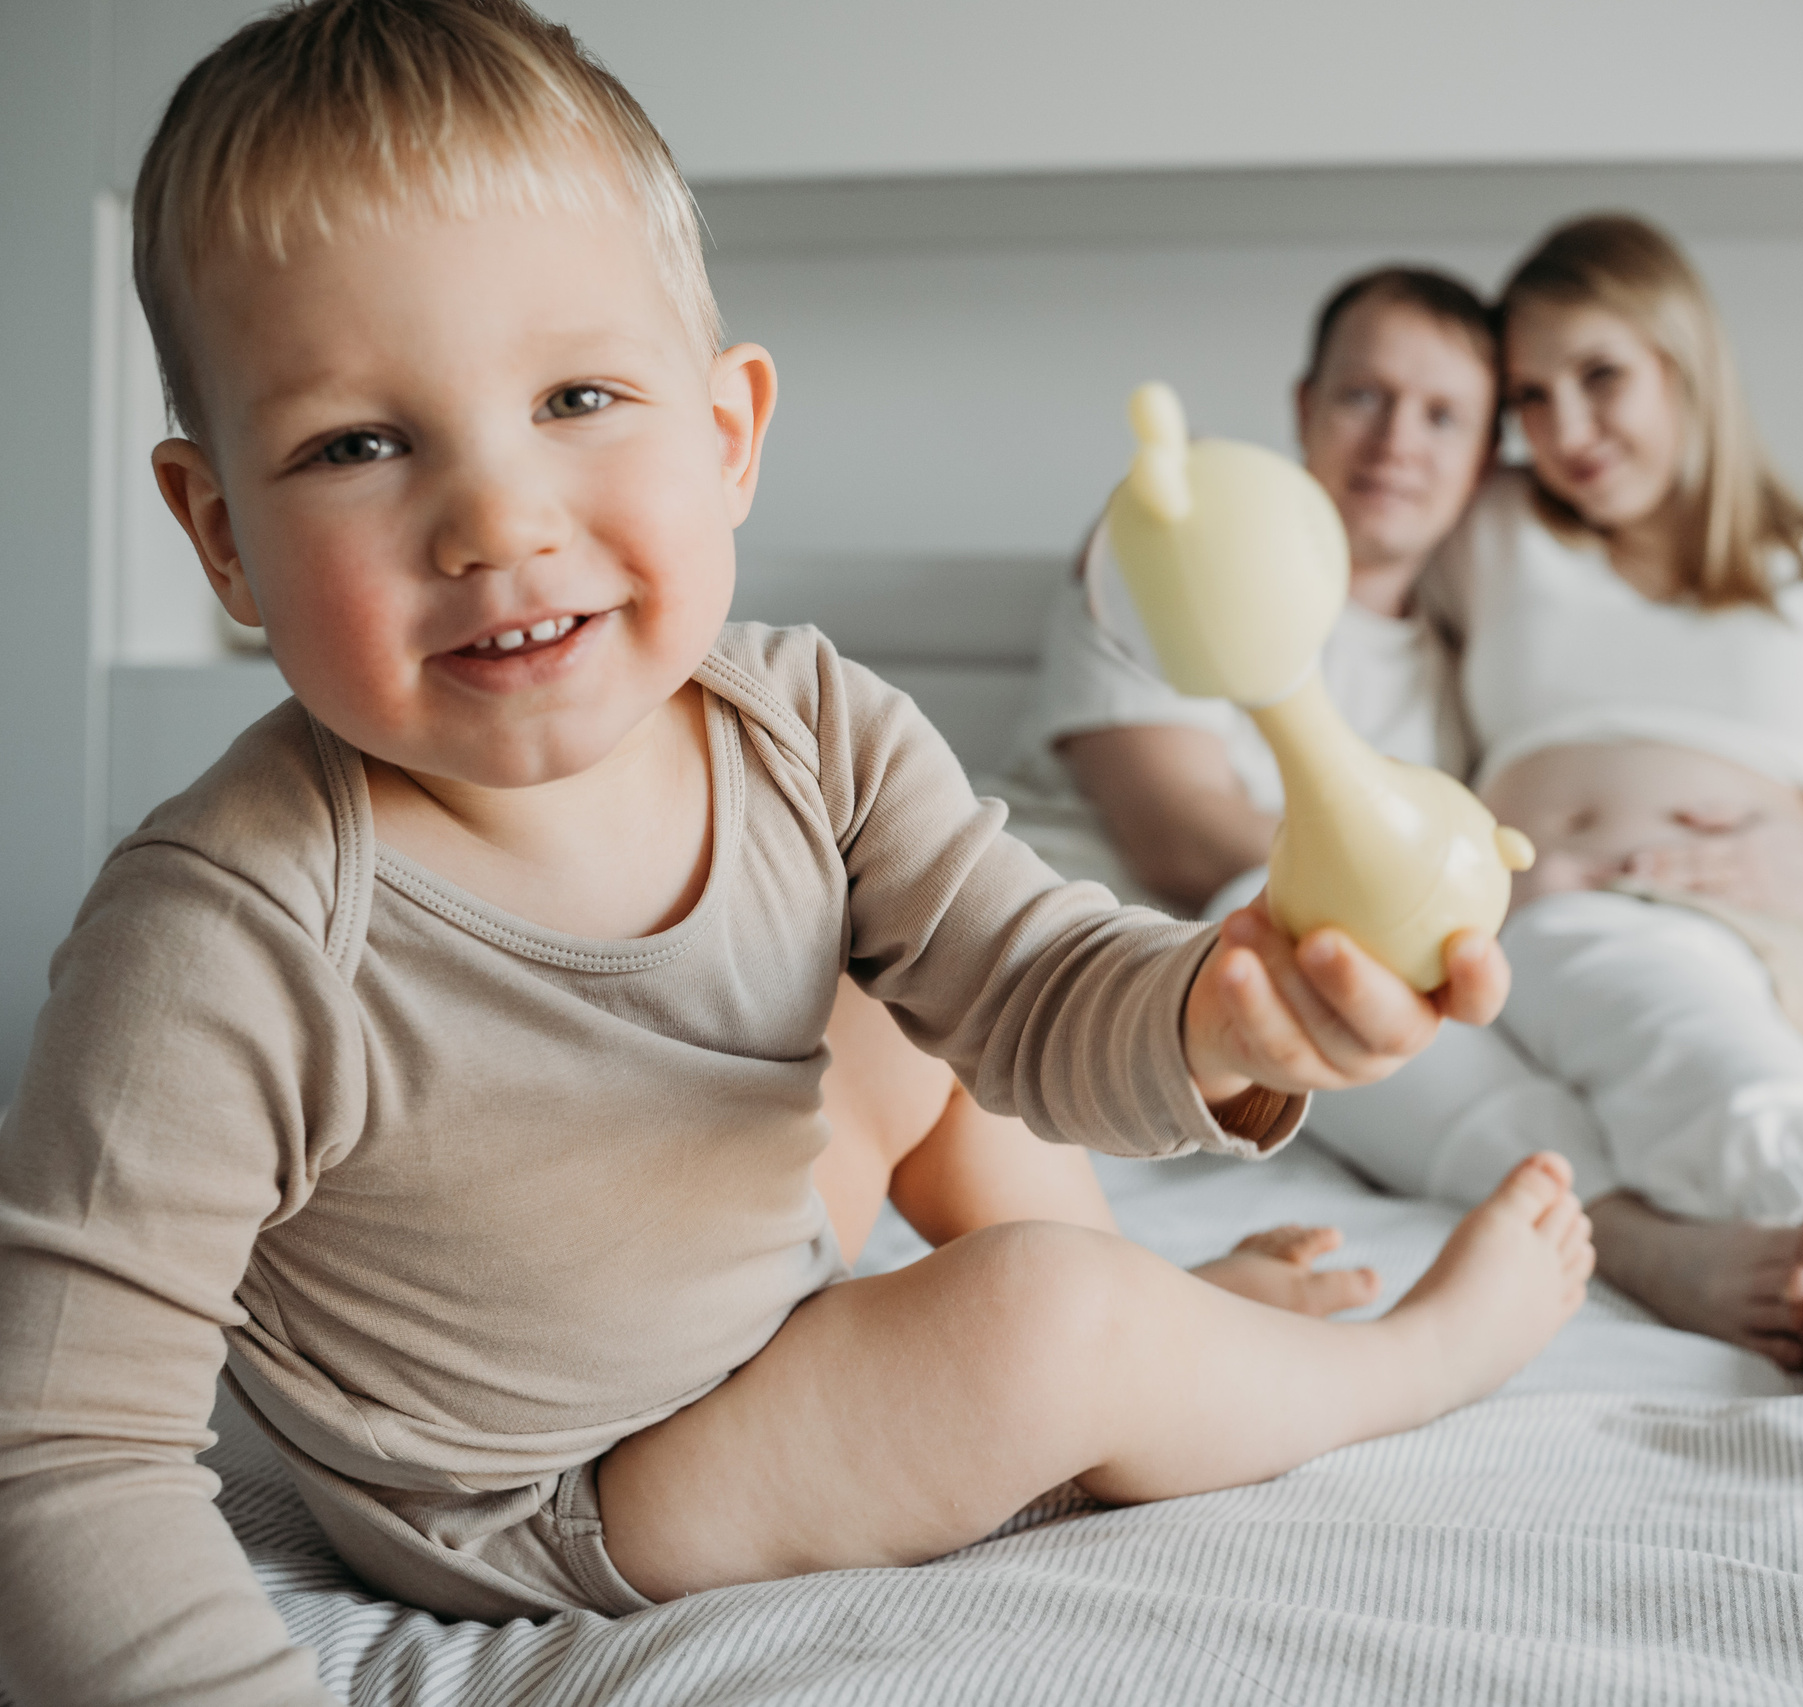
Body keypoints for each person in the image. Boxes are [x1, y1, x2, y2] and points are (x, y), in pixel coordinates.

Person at [0, 7, 1597, 1703]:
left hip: (743, 1279)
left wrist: (1229, 1013)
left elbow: (1039, 989)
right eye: (358, 444)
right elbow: (61, 1451)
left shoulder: (806, 725)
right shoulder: (225, 932)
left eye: (578, 397)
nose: (497, 522)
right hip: (559, 1489)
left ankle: (1153, 1326)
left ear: (729, 434)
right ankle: (1394, 1361)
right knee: (1040, 1320)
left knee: (913, 1000)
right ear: (221, 532)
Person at [1328, 213, 1803, 1402]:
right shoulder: (1494, 531)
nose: (1567, 432)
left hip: (1774, 955)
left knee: (1622, 960)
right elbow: (1349, 523)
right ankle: (1650, 1244)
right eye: (1532, 400)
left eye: (1601, 378)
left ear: (1685, 362)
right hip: (1518, 945)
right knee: (1313, 964)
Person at [993, 265, 1496, 919]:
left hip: (1225, 989)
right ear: (1305, 406)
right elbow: (1175, 836)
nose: (1397, 442)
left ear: (1484, 461)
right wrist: (1402, 886)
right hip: (1014, 928)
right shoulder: (1176, 550)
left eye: (1443, 417)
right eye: (1364, 397)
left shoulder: (1461, 683)